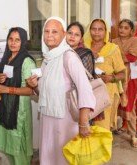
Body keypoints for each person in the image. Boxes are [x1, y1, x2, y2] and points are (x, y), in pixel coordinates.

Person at [27, 17, 96, 165]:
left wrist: (84, 123)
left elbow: (85, 88)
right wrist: (35, 85)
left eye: (54, 31)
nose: (49, 35)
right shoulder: (48, 59)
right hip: (47, 118)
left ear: (63, 34)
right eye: (46, 31)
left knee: (63, 158)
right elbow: (45, 92)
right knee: (49, 156)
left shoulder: (68, 56)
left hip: (65, 121)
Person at [0, 27, 36, 165]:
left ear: (23, 42)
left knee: (19, 151)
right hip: (5, 109)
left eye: (17, 40)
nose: (13, 43)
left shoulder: (27, 61)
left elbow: (30, 90)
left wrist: (7, 89)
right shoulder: (7, 57)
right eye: (10, 39)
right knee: (9, 149)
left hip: (18, 112)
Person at [83, 19, 126, 130]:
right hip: (86, 93)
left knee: (102, 128)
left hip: (105, 95)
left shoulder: (112, 49)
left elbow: (122, 74)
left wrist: (111, 77)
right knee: (85, 127)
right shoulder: (83, 47)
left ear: (105, 31)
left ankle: (102, 147)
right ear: (89, 30)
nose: (96, 32)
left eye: (100, 29)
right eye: (94, 29)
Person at [112, 19, 137, 147]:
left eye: (126, 28)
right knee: (113, 104)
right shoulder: (114, 41)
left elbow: (134, 57)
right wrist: (124, 56)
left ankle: (133, 135)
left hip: (130, 79)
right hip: (116, 77)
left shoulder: (135, 41)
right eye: (120, 27)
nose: (122, 30)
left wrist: (118, 56)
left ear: (131, 30)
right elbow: (112, 57)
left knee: (130, 106)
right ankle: (110, 130)